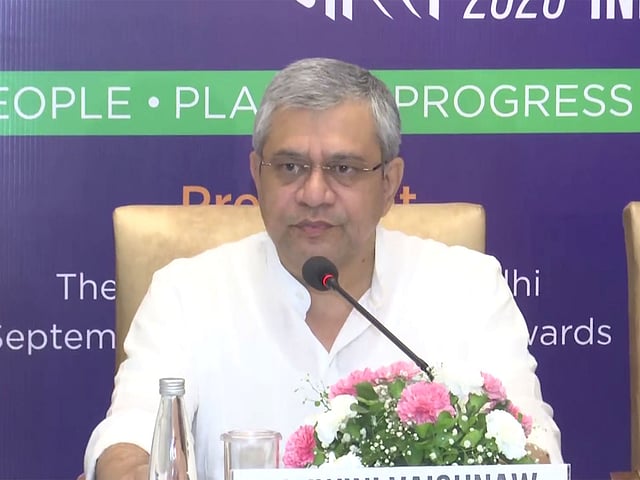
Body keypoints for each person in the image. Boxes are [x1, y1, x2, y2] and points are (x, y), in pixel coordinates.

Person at [83, 57, 563, 480]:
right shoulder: (186, 293)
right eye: (290, 167)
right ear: (257, 175)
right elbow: (131, 434)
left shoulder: (467, 289)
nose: (314, 194)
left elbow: (533, 443)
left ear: (389, 183)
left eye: (344, 168)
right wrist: (129, 468)